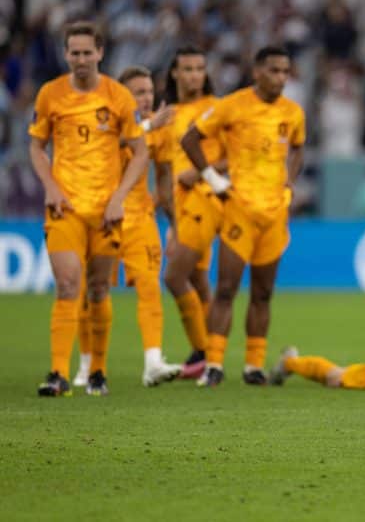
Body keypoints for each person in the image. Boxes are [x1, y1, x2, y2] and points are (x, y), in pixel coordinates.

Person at [29, 22, 150, 397]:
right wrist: (50, 187)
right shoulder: (50, 94)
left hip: (105, 211)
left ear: (100, 53)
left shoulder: (118, 97)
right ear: (66, 55)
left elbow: (141, 151)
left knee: (98, 289)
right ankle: (58, 374)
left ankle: (97, 370)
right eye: (74, 52)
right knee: (68, 285)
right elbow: (36, 146)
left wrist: (118, 198)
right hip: (65, 208)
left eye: (87, 52)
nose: (80, 59)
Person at [181, 46, 305, 388]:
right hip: (240, 210)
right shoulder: (232, 106)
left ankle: (253, 366)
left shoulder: (293, 112)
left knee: (263, 293)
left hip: (274, 213)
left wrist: (289, 181)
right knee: (226, 289)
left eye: (285, 71)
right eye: (274, 70)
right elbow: (189, 138)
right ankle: (214, 364)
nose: (281, 78)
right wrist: (212, 178)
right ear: (257, 72)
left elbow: (298, 148)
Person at [72, 67, 181, 388]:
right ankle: (86, 364)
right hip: (99, 217)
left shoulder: (161, 130)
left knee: (150, 285)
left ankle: (153, 361)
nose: (146, 98)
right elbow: (105, 145)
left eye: (149, 91)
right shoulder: (105, 121)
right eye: (138, 92)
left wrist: (171, 220)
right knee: (90, 292)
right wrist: (146, 125)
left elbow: (163, 175)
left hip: (139, 219)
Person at [150, 46, 226, 379]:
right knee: (196, 278)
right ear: (175, 74)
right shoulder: (167, 115)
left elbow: (236, 155)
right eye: (188, 69)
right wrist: (167, 214)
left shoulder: (215, 109)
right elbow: (164, 169)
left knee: (173, 276)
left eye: (199, 68)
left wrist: (200, 171)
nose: (194, 74)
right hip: (179, 207)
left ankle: (204, 351)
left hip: (205, 199)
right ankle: (211, 354)